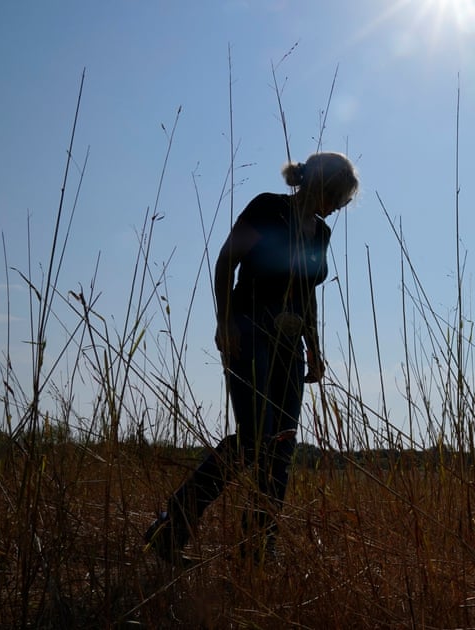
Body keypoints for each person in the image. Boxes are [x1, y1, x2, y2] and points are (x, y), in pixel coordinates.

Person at [145, 152, 358, 566]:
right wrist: (224, 320)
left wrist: (314, 348)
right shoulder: (267, 208)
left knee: (281, 446)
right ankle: (171, 529)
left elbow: (306, 292)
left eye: (343, 201)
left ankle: (259, 548)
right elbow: (227, 260)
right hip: (249, 330)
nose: (338, 206)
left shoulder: (321, 232)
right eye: (337, 196)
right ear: (319, 185)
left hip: (289, 344)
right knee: (254, 439)